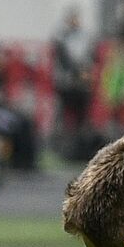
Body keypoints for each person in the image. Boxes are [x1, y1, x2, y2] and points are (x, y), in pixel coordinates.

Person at [51, 8, 94, 158]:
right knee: (63, 116)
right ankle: (61, 149)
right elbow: (64, 59)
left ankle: (79, 149)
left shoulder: (84, 37)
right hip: (66, 82)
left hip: (81, 84)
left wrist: (85, 74)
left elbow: (89, 57)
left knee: (81, 118)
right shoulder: (61, 36)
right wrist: (78, 73)